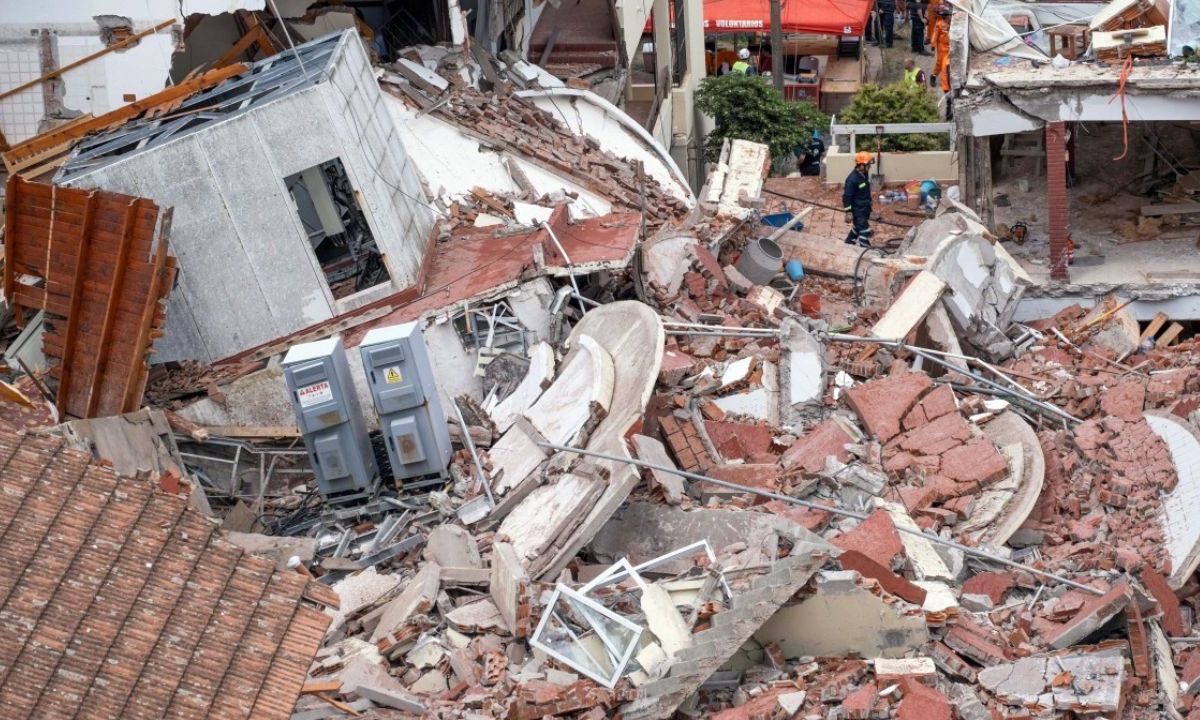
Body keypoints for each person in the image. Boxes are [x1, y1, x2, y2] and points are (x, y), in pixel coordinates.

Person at [842, 151, 875, 247]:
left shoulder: (864, 174)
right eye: (868, 165)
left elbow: (864, 189)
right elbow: (846, 197)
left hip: (864, 208)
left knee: (857, 228)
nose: (869, 167)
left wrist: (869, 201)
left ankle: (848, 245)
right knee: (865, 231)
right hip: (857, 211)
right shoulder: (852, 179)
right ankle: (866, 252)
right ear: (860, 165)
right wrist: (848, 212)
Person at [930, 4, 951, 93]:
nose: (950, 17)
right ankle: (933, 76)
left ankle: (947, 81)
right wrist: (933, 45)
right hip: (942, 48)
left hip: (949, 48)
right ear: (945, 17)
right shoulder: (939, 25)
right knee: (940, 64)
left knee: (947, 65)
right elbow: (935, 35)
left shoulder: (951, 24)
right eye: (949, 15)